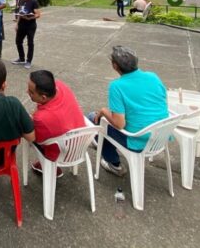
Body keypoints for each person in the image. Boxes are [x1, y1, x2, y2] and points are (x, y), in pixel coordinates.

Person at [87, 46, 168, 176]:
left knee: (93, 118)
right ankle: (103, 143)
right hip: (161, 135)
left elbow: (119, 124)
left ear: (115, 66)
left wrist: (103, 111)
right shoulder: (153, 77)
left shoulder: (117, 86)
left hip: (138, 140)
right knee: (104, 119)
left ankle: (114, 164)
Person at [27, 70, 86, 177]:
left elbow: (35, 139)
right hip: (81, 142)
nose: (27, 92)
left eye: (31, 92)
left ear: (43, 97)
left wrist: (29, 120)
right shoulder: (59, 86)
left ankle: (50, 167)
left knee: (27, 132)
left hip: (62, 154)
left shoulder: (42, 118)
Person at [12, 0, 40, 69]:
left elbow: (38, 14)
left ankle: (28, 61)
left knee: (30, 43)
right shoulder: (21, 0)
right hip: (21, 24)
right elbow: (20, 13)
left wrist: (29, 17)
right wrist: (17, 24)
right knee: (18, 41)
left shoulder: (33, 1)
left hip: (30, 25)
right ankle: (21, 58)